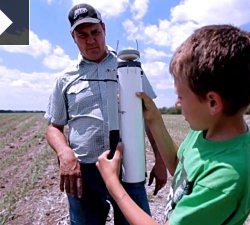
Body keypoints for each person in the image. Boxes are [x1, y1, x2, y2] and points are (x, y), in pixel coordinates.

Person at [96, 24, 250, 225]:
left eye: (181, 96)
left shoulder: (228, 176)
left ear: (213, 103)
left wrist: (114, 185)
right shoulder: (208, 129)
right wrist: (154, 119)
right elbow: (180, 168)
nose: (177, 103)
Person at [44, 3, 167, 225]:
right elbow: (54, 127)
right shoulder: (64, 78)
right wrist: (64, 152)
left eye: (95, 32)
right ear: (73, 37)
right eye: (82, 35)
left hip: (129, 167)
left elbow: (149, 116)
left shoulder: (130, 68)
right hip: (84, 172)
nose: (91, 40)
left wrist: (160, 160)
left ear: (104, 29)